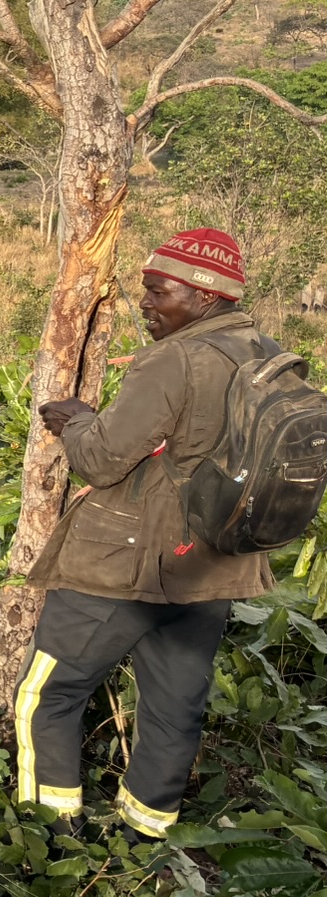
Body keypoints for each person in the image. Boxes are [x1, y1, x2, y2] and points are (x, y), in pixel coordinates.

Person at [15, 227, 274, 841]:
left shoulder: (174, 359)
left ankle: (52, 842)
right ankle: (143, 844)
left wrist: (76, 422)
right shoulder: (266, 353)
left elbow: (104, 460)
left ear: (206, 297)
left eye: (159, 292)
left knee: (44, 697)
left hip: (126, 567)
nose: (146, 305)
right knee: (173, 710)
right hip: (211, 568)